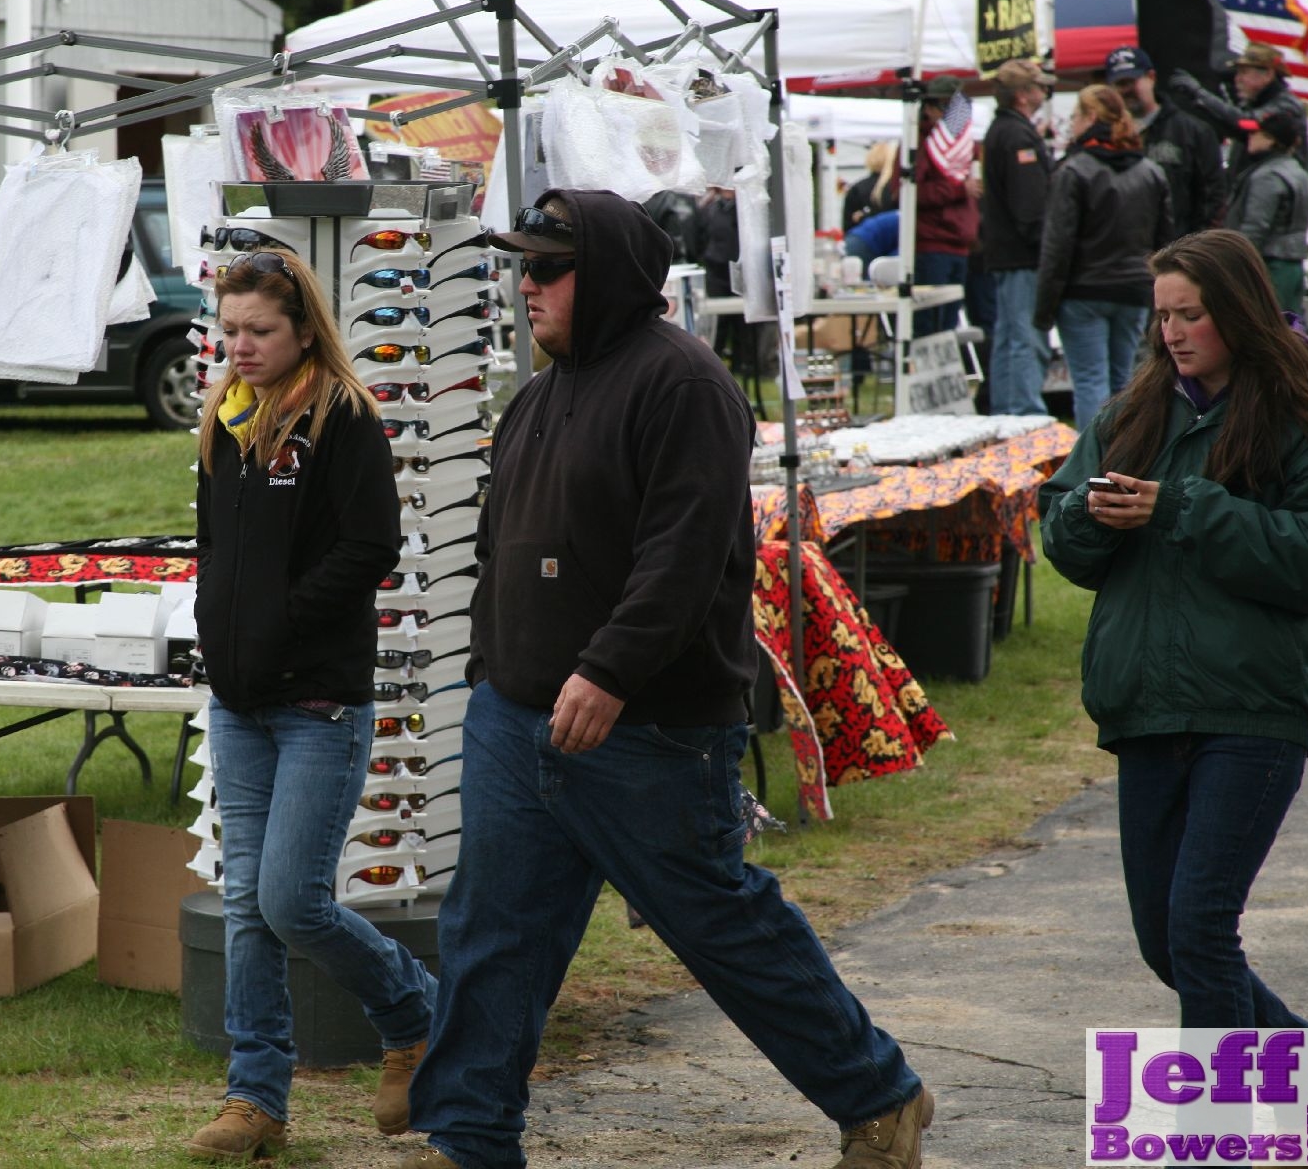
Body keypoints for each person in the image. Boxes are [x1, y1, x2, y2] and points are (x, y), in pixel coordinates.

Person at [398, 191, 932, 1169]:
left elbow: (685, 558)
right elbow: (499, 547)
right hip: (515, 718)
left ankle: (880, 1097)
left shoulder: (683, 383)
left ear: (602, 275)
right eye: (521, 267)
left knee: (721, 923)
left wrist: (607, 669)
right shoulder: (538, 395)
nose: (526, 285)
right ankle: (470, 1133)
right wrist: (490, 671)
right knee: (492, 929)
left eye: (547, 267)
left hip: (649, 729)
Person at [1038, 228, 1308, 1033]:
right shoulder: (1130, 413)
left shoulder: (1304, 419)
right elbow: (1063, 540)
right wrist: (1088, 516)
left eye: (1190, 314)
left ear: (1238, 312)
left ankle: (1225, 1109)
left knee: (1200, 928)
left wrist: (1181, 509)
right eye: (1162, 314)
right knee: (1167, 942)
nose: (1171, 332)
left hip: (1251, 709)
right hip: (1145, 708)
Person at [188, 249, 437, 1161]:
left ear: (303, 330)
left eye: (260, 330)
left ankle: (417, 1014)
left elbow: (371, 546)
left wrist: (280, 623)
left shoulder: (344, 417)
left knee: (291, 900)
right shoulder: (226, 414)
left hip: (319, 703)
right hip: (239, 701)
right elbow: (214, 545)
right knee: (247, 905)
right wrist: (218, 626)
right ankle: (255, 1097)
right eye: (230, 331)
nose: (241, 346)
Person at [1036, 85, 1175, 430]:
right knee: (1123, 380)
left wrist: (1044, 308)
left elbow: (1057, 245)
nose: (1072, 124)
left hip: (1084, 290)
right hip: (1134, 289)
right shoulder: (1150, 171)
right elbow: (1165, 241)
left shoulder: (1074, 171)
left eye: (1075, 116)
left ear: (1090, 118)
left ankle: (1094, 459)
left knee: (1090, 381)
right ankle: (1124, 453)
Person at [979, 58, 1058, 415]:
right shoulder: (1017, 136)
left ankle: (1006, 412)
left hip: (1007, 252)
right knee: (1026, 337)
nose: (1045, 91)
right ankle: (1026, 413)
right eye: (1040, 86)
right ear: (1023, 94)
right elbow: (1029, 204)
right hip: (1022, 254)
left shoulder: (1003, 130)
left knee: (1010, 336)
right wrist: (1045, 247)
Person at [1105, 46, 1227, 236]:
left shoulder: (1193, 132)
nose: (1126, 90)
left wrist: (1193, 246)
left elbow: (1213, 199)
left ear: (1151, 77)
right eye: (1120, 84)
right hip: (1125, 249)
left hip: (1177, 246)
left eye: (1131, 81)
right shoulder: (1105, 137)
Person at [1166, 42, 1308, 183]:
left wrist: (1201, 94)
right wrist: (1200, 104)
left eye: (1244, 72)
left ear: (1268, 75)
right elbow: (1237, 127)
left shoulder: (1286, 107)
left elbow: (1247, 124)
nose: (1238, 79)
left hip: (1277, 190)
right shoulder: (1254, 105)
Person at [1224, 108, 1308, 315]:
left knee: (1266, 323)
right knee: (1291, 325)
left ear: (1271, 140)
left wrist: (1234, 264)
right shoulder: (1301, 173)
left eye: (1256, 132)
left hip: (1269, 265)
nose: (1250, 136)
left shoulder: (1267, 176)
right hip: (1294, 264)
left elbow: (1254, 229)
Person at [907, 76, 980, 338]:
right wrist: (958, 189)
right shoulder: (918, 144)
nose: (954, 114)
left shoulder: (965, 144)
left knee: (948, 325)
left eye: (957, 106)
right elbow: (909, 192)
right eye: (946, 106)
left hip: (959, 243)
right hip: (932, 244)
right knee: (930, 325)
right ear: (929, 108)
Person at [842, 140, 899, 234]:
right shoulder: (895, 188)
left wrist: (863, 217)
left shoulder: (856, 188)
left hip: (863, 237)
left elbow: (848, 227)